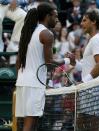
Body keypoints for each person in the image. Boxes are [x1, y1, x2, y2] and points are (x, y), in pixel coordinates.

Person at [15, 2, 68, 131]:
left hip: (22, 83)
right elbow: (49, 63)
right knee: (29, 125)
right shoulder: (47, 34)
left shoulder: (29, 31)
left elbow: (18, 62)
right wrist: (67, 60)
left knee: (27, 125)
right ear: (47, 16)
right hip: (34, 84)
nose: (57, 20)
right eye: (55, 16)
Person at [67, 9, 99, 131]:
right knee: (81, 124)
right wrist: (75, 63)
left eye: (85, 20)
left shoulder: (96, 40)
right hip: (90, 88)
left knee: (92, 125)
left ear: (94, 22)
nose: (81, 23)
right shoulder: (95, 40)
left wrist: (85, 82)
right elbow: (88, 66)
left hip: (94, 89)